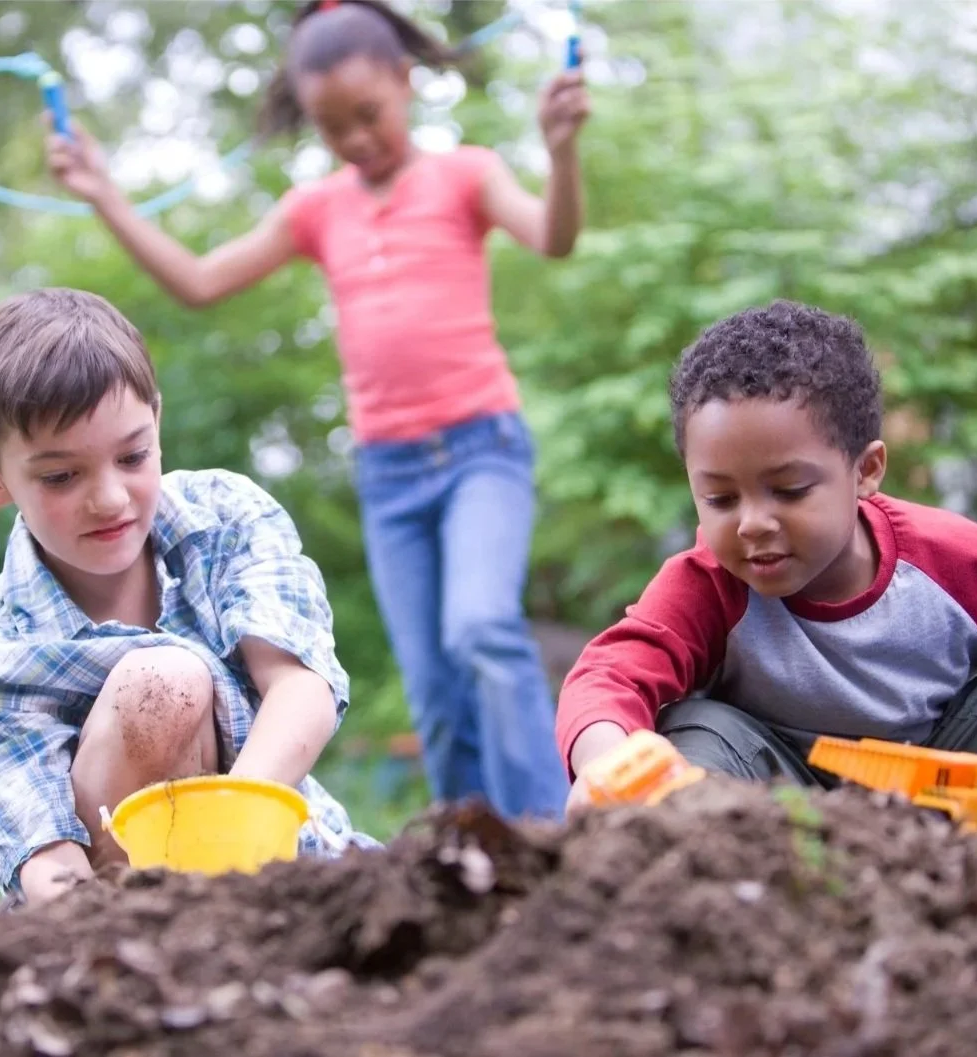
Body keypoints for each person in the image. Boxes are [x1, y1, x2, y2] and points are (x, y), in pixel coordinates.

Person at [44, 0, 590, 821]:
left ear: (405, 82)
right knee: (432, 681)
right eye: (333, 127)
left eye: (369, 114)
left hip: (481, 448)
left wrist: (560, 149)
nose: (356, 138)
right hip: (389, 473)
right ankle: (471, 846)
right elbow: (199, 281)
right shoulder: (317, 209)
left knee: (480, 628)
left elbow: (553, 236)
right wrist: (103, 195)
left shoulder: (465, 175)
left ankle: (552, 829)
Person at [0, 287, 373, 905]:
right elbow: (44, 853)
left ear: (157, 424)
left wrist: (231, 824)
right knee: (163, 684)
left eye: (133, 456)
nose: (110, 498)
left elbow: (299, 685)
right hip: (123, 913)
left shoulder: (224, 517)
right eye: (61, 476)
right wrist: (89, 927)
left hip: (281, 872)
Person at [557, 300, 977, 810]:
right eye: (721, 499)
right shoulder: (709, 582)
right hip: (772, 804)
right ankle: (708, 843)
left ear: (865, 471)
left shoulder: (950, 558)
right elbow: (609, 675)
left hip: (943, 784)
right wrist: (605, 761)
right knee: (692, 729)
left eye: (790, 490)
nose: (753, 523)